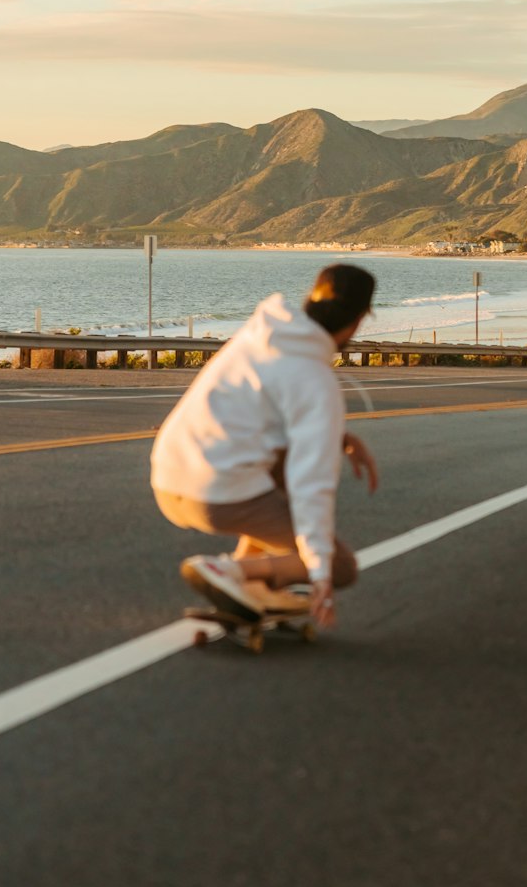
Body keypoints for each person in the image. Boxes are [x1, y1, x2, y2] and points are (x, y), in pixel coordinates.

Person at [151, 263, 379, 630]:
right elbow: (312, 486)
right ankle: (228, 571)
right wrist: (320, 573)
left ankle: (250, 583)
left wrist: (339, 437)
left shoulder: (257, 336)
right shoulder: (316, 380)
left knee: (280, 455)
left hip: (166, 479)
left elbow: (260, 416)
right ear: (359, 319)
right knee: (341, 567)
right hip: (216, 497)